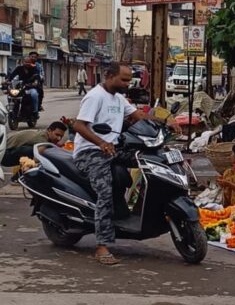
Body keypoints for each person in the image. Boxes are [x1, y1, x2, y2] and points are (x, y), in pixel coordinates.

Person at [72, 62, 178, 265]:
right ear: (110, 76)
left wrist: (166, 122)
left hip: (113, 149)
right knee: (105, 192)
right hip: (91, 152)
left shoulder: (118, 98)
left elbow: (138, 116)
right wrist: (101, 143)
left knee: (152, 161)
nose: (128, 84)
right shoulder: (95, 96)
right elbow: (78, 125)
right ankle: (102, 246)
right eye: (124, 80)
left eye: (129, 80)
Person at [1, 121, 67, 166]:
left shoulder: (43, 133)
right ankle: (19, 176)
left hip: (5, 149)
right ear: (49, 131)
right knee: (37, 153)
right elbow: (36, 160)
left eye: (61, 136)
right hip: (4, 155)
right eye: (57, 135)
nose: (59, 138)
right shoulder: (43, 140)